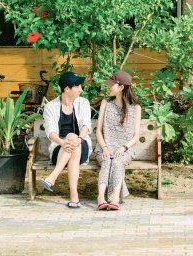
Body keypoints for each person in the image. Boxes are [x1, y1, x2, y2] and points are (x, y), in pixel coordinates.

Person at [38, 71, 92, 209]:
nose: (81, 89)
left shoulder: (83, 103)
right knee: (71, 142)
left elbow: (86, 125)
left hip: (81, 145)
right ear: (67, 89)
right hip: (59, 149)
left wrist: (79, 139)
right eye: (77, 86)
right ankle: (74, 195)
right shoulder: (51, 106)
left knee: (72, 138)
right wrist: (62, 143)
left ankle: (52, 178)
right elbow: (50, 131)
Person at [94, 70, 142, 211]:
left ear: (121, 87)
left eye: (112, 84)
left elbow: (136, 135)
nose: (109, 86)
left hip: (126, 148)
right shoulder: (106, 103)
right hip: (104, 146)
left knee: (117, 162)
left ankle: (114, 199)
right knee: (107, 161)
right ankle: (101, 198)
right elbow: (98, 130)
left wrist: (124, 147)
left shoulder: (136, 108)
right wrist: (105, 148)